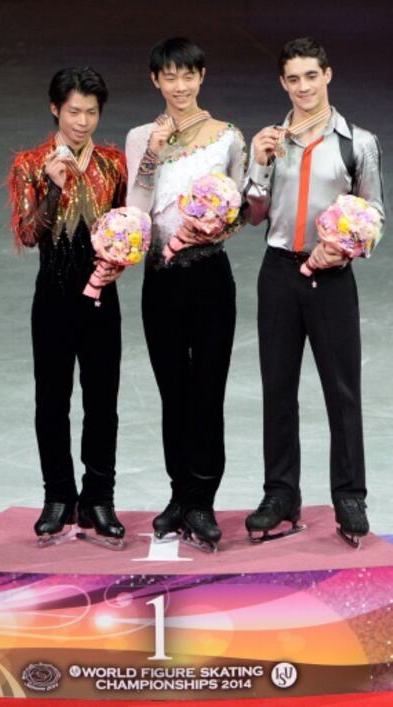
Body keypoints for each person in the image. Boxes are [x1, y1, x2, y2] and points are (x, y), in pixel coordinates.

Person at [245, 37, 384, 547]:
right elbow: (254, 213)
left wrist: (343, 250)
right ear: (283, 83)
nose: (303, 87)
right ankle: (280, 493)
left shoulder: (358, 142)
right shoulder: (271, 141)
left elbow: (374, 215)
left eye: (311, 75)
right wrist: (258, 165)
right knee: (277, 390)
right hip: (279, 272)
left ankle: (350, 495)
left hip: (331, 279)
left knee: (342, 391)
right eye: (292, 78)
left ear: (328, 75)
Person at [125, 37, 246, 551]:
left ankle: (203, 502)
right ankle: (179, 495)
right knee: (174, 393)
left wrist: (217, 228)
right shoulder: (139, 137)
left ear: (202, 76)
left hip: (211, 277)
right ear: (156, 81)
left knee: (208, 393)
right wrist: (153, 153)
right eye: (169, 77)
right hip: (162, 278)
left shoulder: (228, 137)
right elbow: (135, 204)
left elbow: (239, 208)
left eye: (188, 75)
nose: (179, 86)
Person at [8, 67, 127, 547]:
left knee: (103, 403)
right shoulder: (30, 163)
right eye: (73, 111)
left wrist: (124, 258)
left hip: (102, 299)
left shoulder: (114, 164)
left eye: (92, 112)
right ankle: (58, 496)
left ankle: (99, 497)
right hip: (52, 301)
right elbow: (26, 233)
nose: (82, 122)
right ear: (55, 109)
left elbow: (126, 226)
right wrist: (54, 187)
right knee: (51, 402)